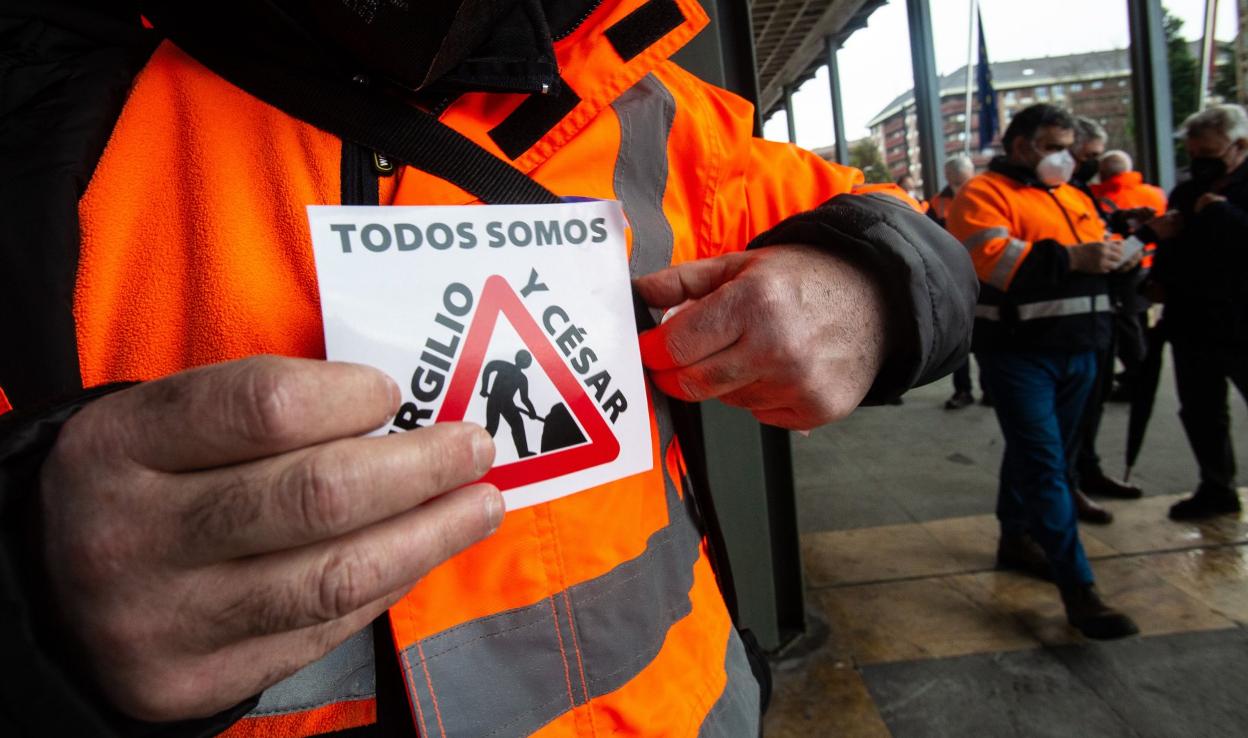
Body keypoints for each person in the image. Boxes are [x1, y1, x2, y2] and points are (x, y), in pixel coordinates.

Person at [0, 2, 977, 737]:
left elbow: (907, 233)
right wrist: (28, 608)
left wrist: (867, 286)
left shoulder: (648, 104)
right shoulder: (44, 97)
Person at [948, 104, 1140, 640]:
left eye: (1069, 146)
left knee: (1042, 455)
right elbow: (993, 261)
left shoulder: (1074, 195)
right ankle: (1078, 589)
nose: (1066, 155)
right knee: (1045, 464)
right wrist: (1073, 260)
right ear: (1021, 144)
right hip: (1019, 352)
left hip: (1084, 346)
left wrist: (1118, 257)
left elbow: (1092, 252)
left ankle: (1016, 539)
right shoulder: (983, 195)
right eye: (1055, 144)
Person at [1143, 104, 1248, 520]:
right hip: (1193, 322)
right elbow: (1178, 246)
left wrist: (1222, 213)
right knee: (1201, 410)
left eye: (1209, 153)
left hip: (1243, 321)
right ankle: (1216, 486)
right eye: (1193, 153)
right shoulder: (1186, 191)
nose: (1199, 163)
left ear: (1238, 147)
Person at [1065, 118, 1139, 523]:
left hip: (1098, 316)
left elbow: (1102, 245)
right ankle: (1070, 485)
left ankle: (1084, 472)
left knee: (1088, 410)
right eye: (1088, 156)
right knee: (1052, 434)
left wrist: (1134, 240)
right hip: (1056, 329)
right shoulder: (1060, 195)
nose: (1091, 164)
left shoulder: (1083, 197)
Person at [1090, 150, 1167, 402]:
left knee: (1127, 328)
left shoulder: (1100, 197)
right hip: (1150, 265)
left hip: (1122, 270)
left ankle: (1136, 379)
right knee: (1139, 324)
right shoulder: (1154, 193)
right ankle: (1138, 373)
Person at [931, 156, 986, 410]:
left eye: (962, 179)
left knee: (986, 336)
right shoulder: (938, 202)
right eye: (954, 179)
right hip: (953, 277)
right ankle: (963, 390)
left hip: (986, 277)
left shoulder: (987, 197)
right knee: (960, 337)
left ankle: (990, 390)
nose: (959, 185)